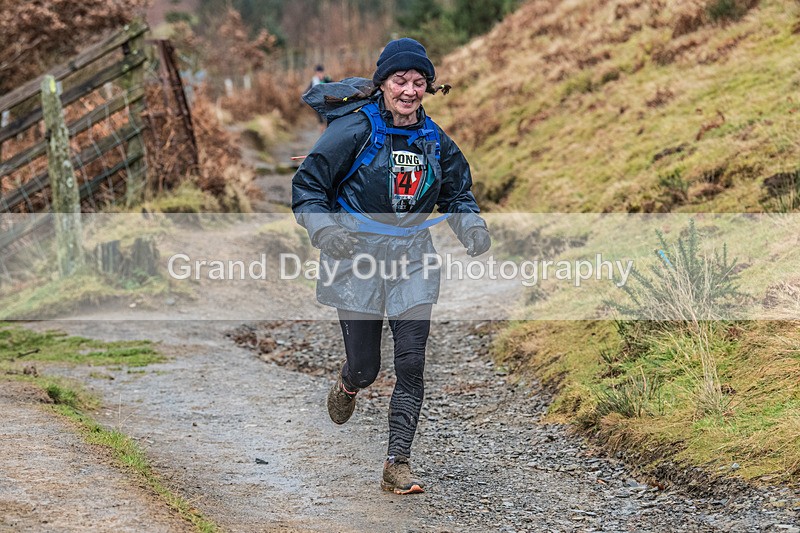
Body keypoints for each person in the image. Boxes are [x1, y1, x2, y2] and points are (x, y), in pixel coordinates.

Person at [292, 38, 491, 495]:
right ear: (382, 83)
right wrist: (326, 232)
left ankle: (396, 463)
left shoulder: (435, 139)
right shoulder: (352, 131)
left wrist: (471, 228)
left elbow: (459, 192)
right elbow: (308, 187)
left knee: (412, 365)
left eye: (419, 82)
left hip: (413, 257)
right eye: (400, 80)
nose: (409, 90)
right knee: (367, 367)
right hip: (355, 256)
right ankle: (349, 383)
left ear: (428, 87)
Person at [309, 65, 331, 132]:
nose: (319, 75)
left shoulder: (327, 79)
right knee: (319, 119)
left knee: (327, 118)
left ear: (323, 72)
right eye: (317, 73)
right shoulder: (314, 80)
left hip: (327, 102)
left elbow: (334, 86)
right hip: (318, 102)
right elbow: (309, 89)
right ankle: (322, 132)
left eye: (320, 73)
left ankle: (327, 130)